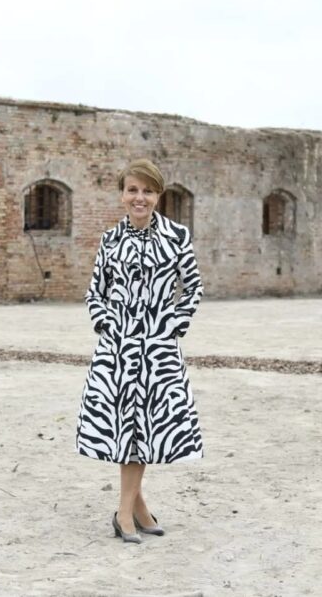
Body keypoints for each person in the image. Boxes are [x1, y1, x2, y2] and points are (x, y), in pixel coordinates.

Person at [75, 158, 204, 544]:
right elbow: (94, 292)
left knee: (145, 430)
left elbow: (193, 288)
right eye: (133, 189)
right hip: (117, 349)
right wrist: (108, 323)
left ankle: (129, 510)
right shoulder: (109, 240)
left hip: (159, 351)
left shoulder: (177, 237)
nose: (139, 197)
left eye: (147, 191)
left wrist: (170, 327)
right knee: (125, 430)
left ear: (158, 196)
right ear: (122, 194)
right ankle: (130, 511)